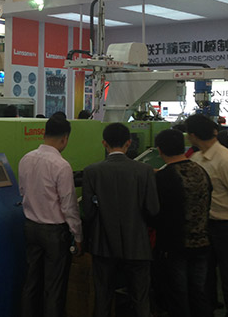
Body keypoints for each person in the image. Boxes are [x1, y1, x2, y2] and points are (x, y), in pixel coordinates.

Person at [82, 122, 160, 317]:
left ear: (104, 143)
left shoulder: (92, 171)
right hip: (137, 244)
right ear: (129, 142)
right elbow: (153, 209)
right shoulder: (144, 171)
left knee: (103, 297)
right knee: (140, 299)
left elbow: (88, 212)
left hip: (103, 244)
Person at [185, 114, 228, 317]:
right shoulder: (196, 158)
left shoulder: (227, 160)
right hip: (205, 225)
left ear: (193, 135)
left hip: (227, 227)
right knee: (205, 276)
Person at [18, 116, 83, 317]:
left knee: (31, 281)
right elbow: (69, 206)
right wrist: (78, 235)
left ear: (44, 134)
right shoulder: (61, 166)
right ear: (65, 138)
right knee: (54, 287)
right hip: (54, 233)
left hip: (30, 226)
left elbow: (22, 191)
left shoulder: (26, 159)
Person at [152, 128, 212, 317]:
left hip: (175, 246)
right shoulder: (200, 170)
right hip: (202, 242)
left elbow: (156, 213)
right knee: (198, 292)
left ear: (160, 150)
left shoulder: (164, 177)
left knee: (178, 295)